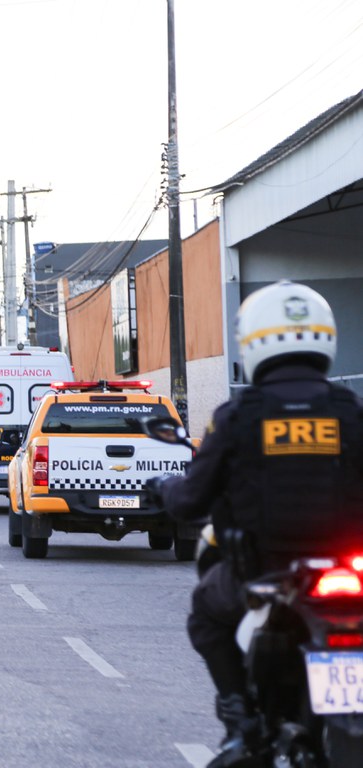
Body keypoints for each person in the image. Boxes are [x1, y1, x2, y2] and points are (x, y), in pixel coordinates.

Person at [146, 280, 363, 767]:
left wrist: (164, 487)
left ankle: (242, 722)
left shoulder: (239, 415)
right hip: (350, 573)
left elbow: (190, 500)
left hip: (265, 573)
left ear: (254, 340)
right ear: (323, 337)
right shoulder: (350, 410)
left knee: (205, 612)